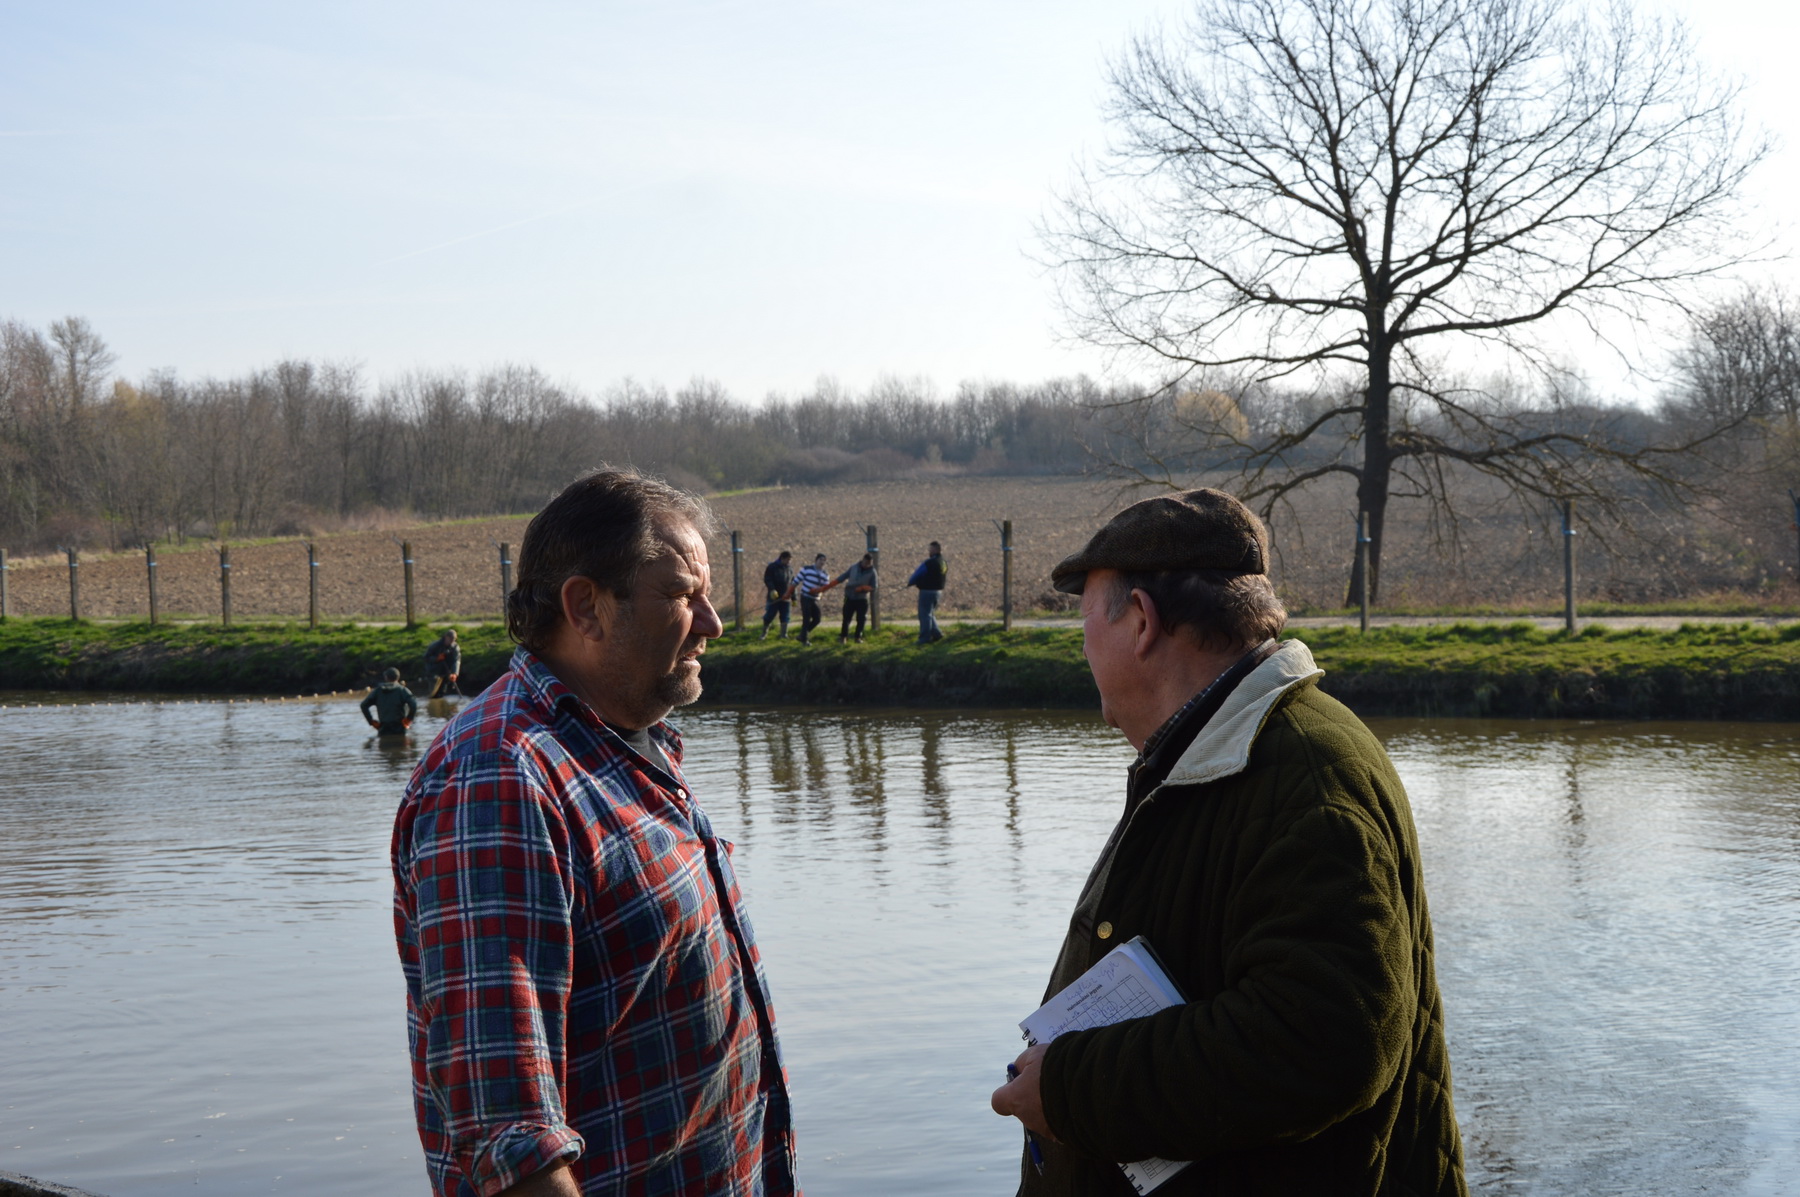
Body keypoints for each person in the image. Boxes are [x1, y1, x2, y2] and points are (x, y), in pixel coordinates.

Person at [989, 488, 1466, 1197]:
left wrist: (1071, 1089)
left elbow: (1325, 1041)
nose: (1081, 647)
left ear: (1141, 620)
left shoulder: (1306, 775)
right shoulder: (1213, 756)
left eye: (1085, 621)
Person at [391, 469, 798, 1197]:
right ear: (586, 607)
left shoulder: (623, 744)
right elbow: (511, 1145)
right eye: (682, 595)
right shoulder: (500, 780)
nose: (713, 623)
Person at [904, 540, 948, 644]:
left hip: (927, 591)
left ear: (936, 550)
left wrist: (911, 582)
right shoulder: (943, 562)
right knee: (930, 613)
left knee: (924, 614)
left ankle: (924, 638)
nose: (929, 551)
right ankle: (937, 633)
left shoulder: (929, 562)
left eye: (930, 549)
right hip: (938, 591)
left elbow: (918, 573)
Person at [833, 551, 877, 643]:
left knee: (861, 619)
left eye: (869, 563)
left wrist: (863, 588)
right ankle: (843, 637)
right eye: (866, 563)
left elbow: (874, 587)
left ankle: (858, 637)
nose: (867, 565)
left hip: (862, 599)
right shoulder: (854, 567)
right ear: (863, 560)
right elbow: (844, 576)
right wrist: (832, 584)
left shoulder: (872, 572)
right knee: (846, 618)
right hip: (850, 597)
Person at [360, 667, 417, 736]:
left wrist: (371, 721)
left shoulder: (378, 691)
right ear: (398, 677)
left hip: (383, 727)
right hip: (400, 727)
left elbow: (363, 705)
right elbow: (413, 705)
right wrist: (409, 719)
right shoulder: (402, 690)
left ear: (386, 677)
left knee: (383, 741)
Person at [792, 552, 832, 645]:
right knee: (806, 618)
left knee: (817, 619)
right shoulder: (806, 569)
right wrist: (789, 592)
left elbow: (825, 587)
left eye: (824, 561)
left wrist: (819, 590)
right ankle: (804, 640)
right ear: (816, 560)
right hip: (805, 597)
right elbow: (796, 581)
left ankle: (802, 635)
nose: (822, 562)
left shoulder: (825, 574)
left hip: (815, 599)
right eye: (820, 560)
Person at [761, 550, 795, 639]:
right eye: (788, 560)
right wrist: (772, 589)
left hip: (786, 597)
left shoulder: (790, 569)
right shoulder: (772, 567)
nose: (789, 562)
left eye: (790, 560)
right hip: (774, 597)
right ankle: (764, 633)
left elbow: (792, 583)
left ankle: (783, 634)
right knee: (769, 615)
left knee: (785, 616)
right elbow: (768, 579)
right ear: (782, 558)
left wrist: (794, 597)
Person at [423, 629, 461, 697]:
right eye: (450, 639)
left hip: (446, 672)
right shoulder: (435, 645)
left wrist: (455, 673)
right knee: (433, 693)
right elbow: (426, 657)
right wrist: (437, 658)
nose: (452, 641)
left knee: (442, 692)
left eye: (454, 640)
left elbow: (456, 660)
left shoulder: (455, 647)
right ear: (446, 637)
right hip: (434, 671)